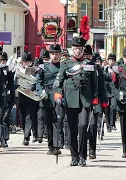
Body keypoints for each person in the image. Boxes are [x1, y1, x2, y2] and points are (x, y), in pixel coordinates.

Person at [53, 35, 99, 166]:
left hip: (85, 100)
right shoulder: (65, 64)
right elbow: (59, 81)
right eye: (75, 48)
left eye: (79, 48)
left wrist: (95, 97)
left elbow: (94, 83)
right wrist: (57, 94)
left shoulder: (90, 65)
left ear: (83, 49)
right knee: (72, 129)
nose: (77, 51)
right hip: (70, 100)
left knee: (83, 126)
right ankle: (74, 156)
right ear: (72, 49)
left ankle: (82, 156)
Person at [36, 44, 64, 155]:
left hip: (58, 96)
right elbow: (38, 83)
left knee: (58, 121)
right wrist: (40, 92)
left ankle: (57, 146)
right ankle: (50, 145)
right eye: (53, 53)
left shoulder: (63, 67)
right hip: (46, 96)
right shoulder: (44, 67)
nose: (55, 56)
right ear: (50, 54)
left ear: (60, 54)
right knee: (48, 122)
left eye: (57, 53)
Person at [87, 50, 108, 159]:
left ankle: (92, 150)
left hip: (95, 101)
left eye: (88, 56)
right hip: (81, 102)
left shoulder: (98, 70)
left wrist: (104, 102)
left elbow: (102, 88)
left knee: (92, 125)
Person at [16, 51, 38, 145]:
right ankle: (26, 133)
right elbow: (14, 82)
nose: (25, 63)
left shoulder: (35, 71)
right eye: (24, 62)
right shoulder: (18, 71)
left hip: (31, 97)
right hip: (21, 96)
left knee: (29, 117)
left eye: (27, 62)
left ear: (30, 62)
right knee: (22, 117)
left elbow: (37, 83)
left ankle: (26, 137)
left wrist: (31, 88)